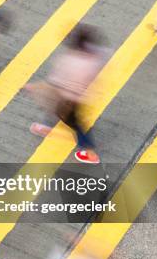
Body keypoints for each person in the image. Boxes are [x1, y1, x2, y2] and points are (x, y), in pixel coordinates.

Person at [26, 26, 108, 165]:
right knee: (57, 111)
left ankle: (90, 153)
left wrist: (33, 87)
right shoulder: (95, 58)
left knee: (74, 123)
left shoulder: (69, 60)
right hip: (81, 97)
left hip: (66, 98)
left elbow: (55, 81)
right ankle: (47, 126)